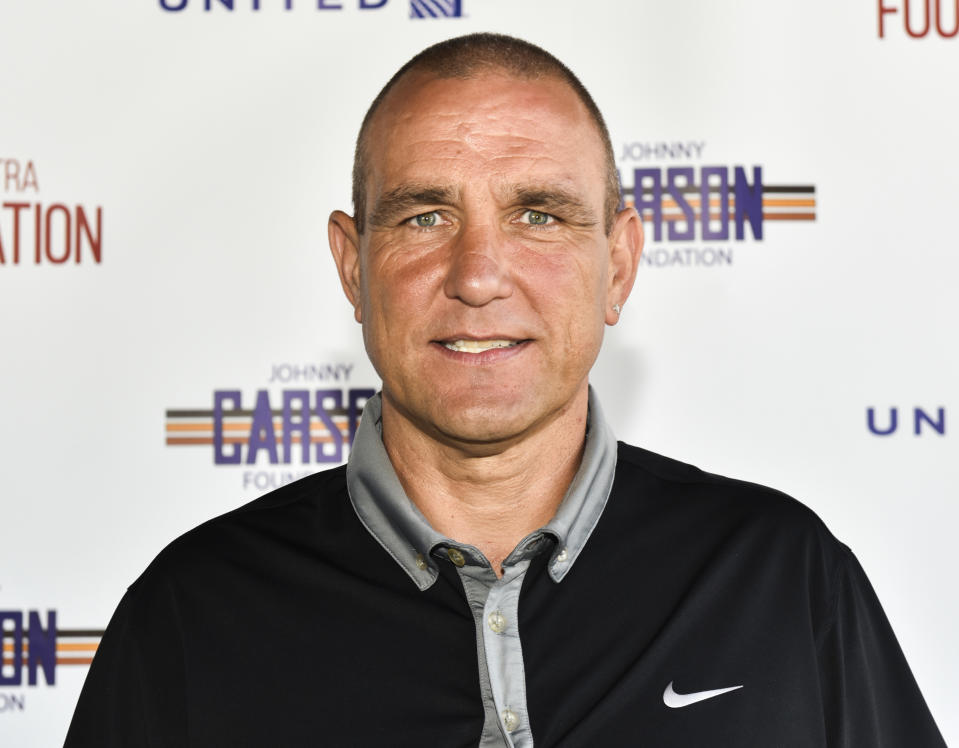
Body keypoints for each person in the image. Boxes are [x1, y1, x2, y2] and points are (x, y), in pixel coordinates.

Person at [65, 33, 945, 747]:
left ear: (619, 264)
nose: (479, 275)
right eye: (424, 217)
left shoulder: (780, 579)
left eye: (538, 215)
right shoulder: (191, 617)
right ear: (351, 266)